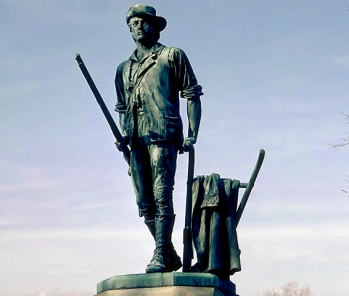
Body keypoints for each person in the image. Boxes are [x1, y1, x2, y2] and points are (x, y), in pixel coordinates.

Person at [114, 4, 203, 273]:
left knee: (162, 195)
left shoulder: (171, 55)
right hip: (136, 140)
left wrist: (192, 134)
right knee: (144, 203)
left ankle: (160, 254)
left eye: (144, 22)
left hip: (163, 134)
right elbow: (121, 106)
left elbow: (192, 94)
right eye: (133, 24)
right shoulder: (122, 69)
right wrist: (123, 134)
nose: (138, 27)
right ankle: (168, 252)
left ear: (155, 26)